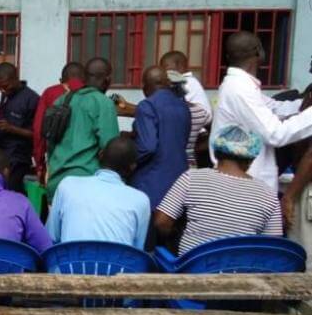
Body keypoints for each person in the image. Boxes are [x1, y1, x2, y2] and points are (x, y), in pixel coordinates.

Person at [155, 125, 283, 256]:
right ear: (251, 159)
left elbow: (161, 222)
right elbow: (273, 246)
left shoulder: (191, 178)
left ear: (215, 153)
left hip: (193, 267)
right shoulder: (269, 195)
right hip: (243, 272)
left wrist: (176, 243)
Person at [211, 31, 312, 192]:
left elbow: (274, 107)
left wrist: (304, 104)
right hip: (245, 186)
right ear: (259, 52)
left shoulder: (241, 86)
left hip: (248, 181)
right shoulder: (239, 89)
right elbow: (275, 134)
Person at [47, 136, 151, 249]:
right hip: (118, 266)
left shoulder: (67, 185)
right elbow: (136, 250)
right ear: (132, 167)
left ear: (100, 155)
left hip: (70, 265)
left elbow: (50, 237)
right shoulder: (141, 201)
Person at [46, 57, 120, 200]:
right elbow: (112, 151)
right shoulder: (103, 103)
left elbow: (49, 141)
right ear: (107, 80)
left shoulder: (61, 101)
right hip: (86, 184)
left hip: (57, 182)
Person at [131, 66, 191, 209]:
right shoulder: (183, 106)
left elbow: (148, 147)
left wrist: (129, 160)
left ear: (145, 86)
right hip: (180, 182)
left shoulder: (147, 105)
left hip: (151, 182)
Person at [32, 62, 85, 182]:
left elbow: (38, 130)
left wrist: (39, 163)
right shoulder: (93, 96)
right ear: (85, 78)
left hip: (56, 161)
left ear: (61, 80)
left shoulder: (50, 93)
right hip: (85, 164)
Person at [0, 62, 39, 194]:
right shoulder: (5, 95)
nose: (3, 90)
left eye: (6, 86)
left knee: (11, 195)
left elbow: (36, 134)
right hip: (2, 157)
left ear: (15, 78)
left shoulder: (32, 99)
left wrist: (11, 129)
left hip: (18, 160)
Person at [159, 50, 213, 122]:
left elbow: (176, 103)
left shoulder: (188, 82)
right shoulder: (181, 81)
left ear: (180, 67)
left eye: (166, 68)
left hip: (202, 117)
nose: (164, 72)